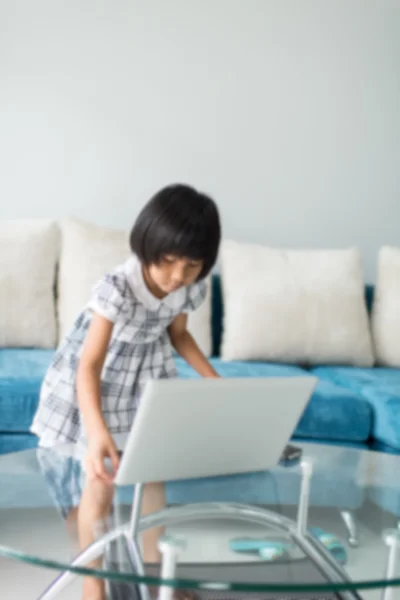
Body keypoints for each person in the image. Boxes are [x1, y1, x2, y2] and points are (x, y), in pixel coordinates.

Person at [31, 183, 222, 600]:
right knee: (101, 484)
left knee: (153, 475)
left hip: (148, 379)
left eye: (191, 266)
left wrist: (214, 381)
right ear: (146, 245)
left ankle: (157, 577)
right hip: (99, 382)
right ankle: (92, 585)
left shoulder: (188, 287)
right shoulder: (118, 287)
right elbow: (90, 365)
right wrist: (97, 430)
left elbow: (180, 337)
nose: (177, 276)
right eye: (168, 262)